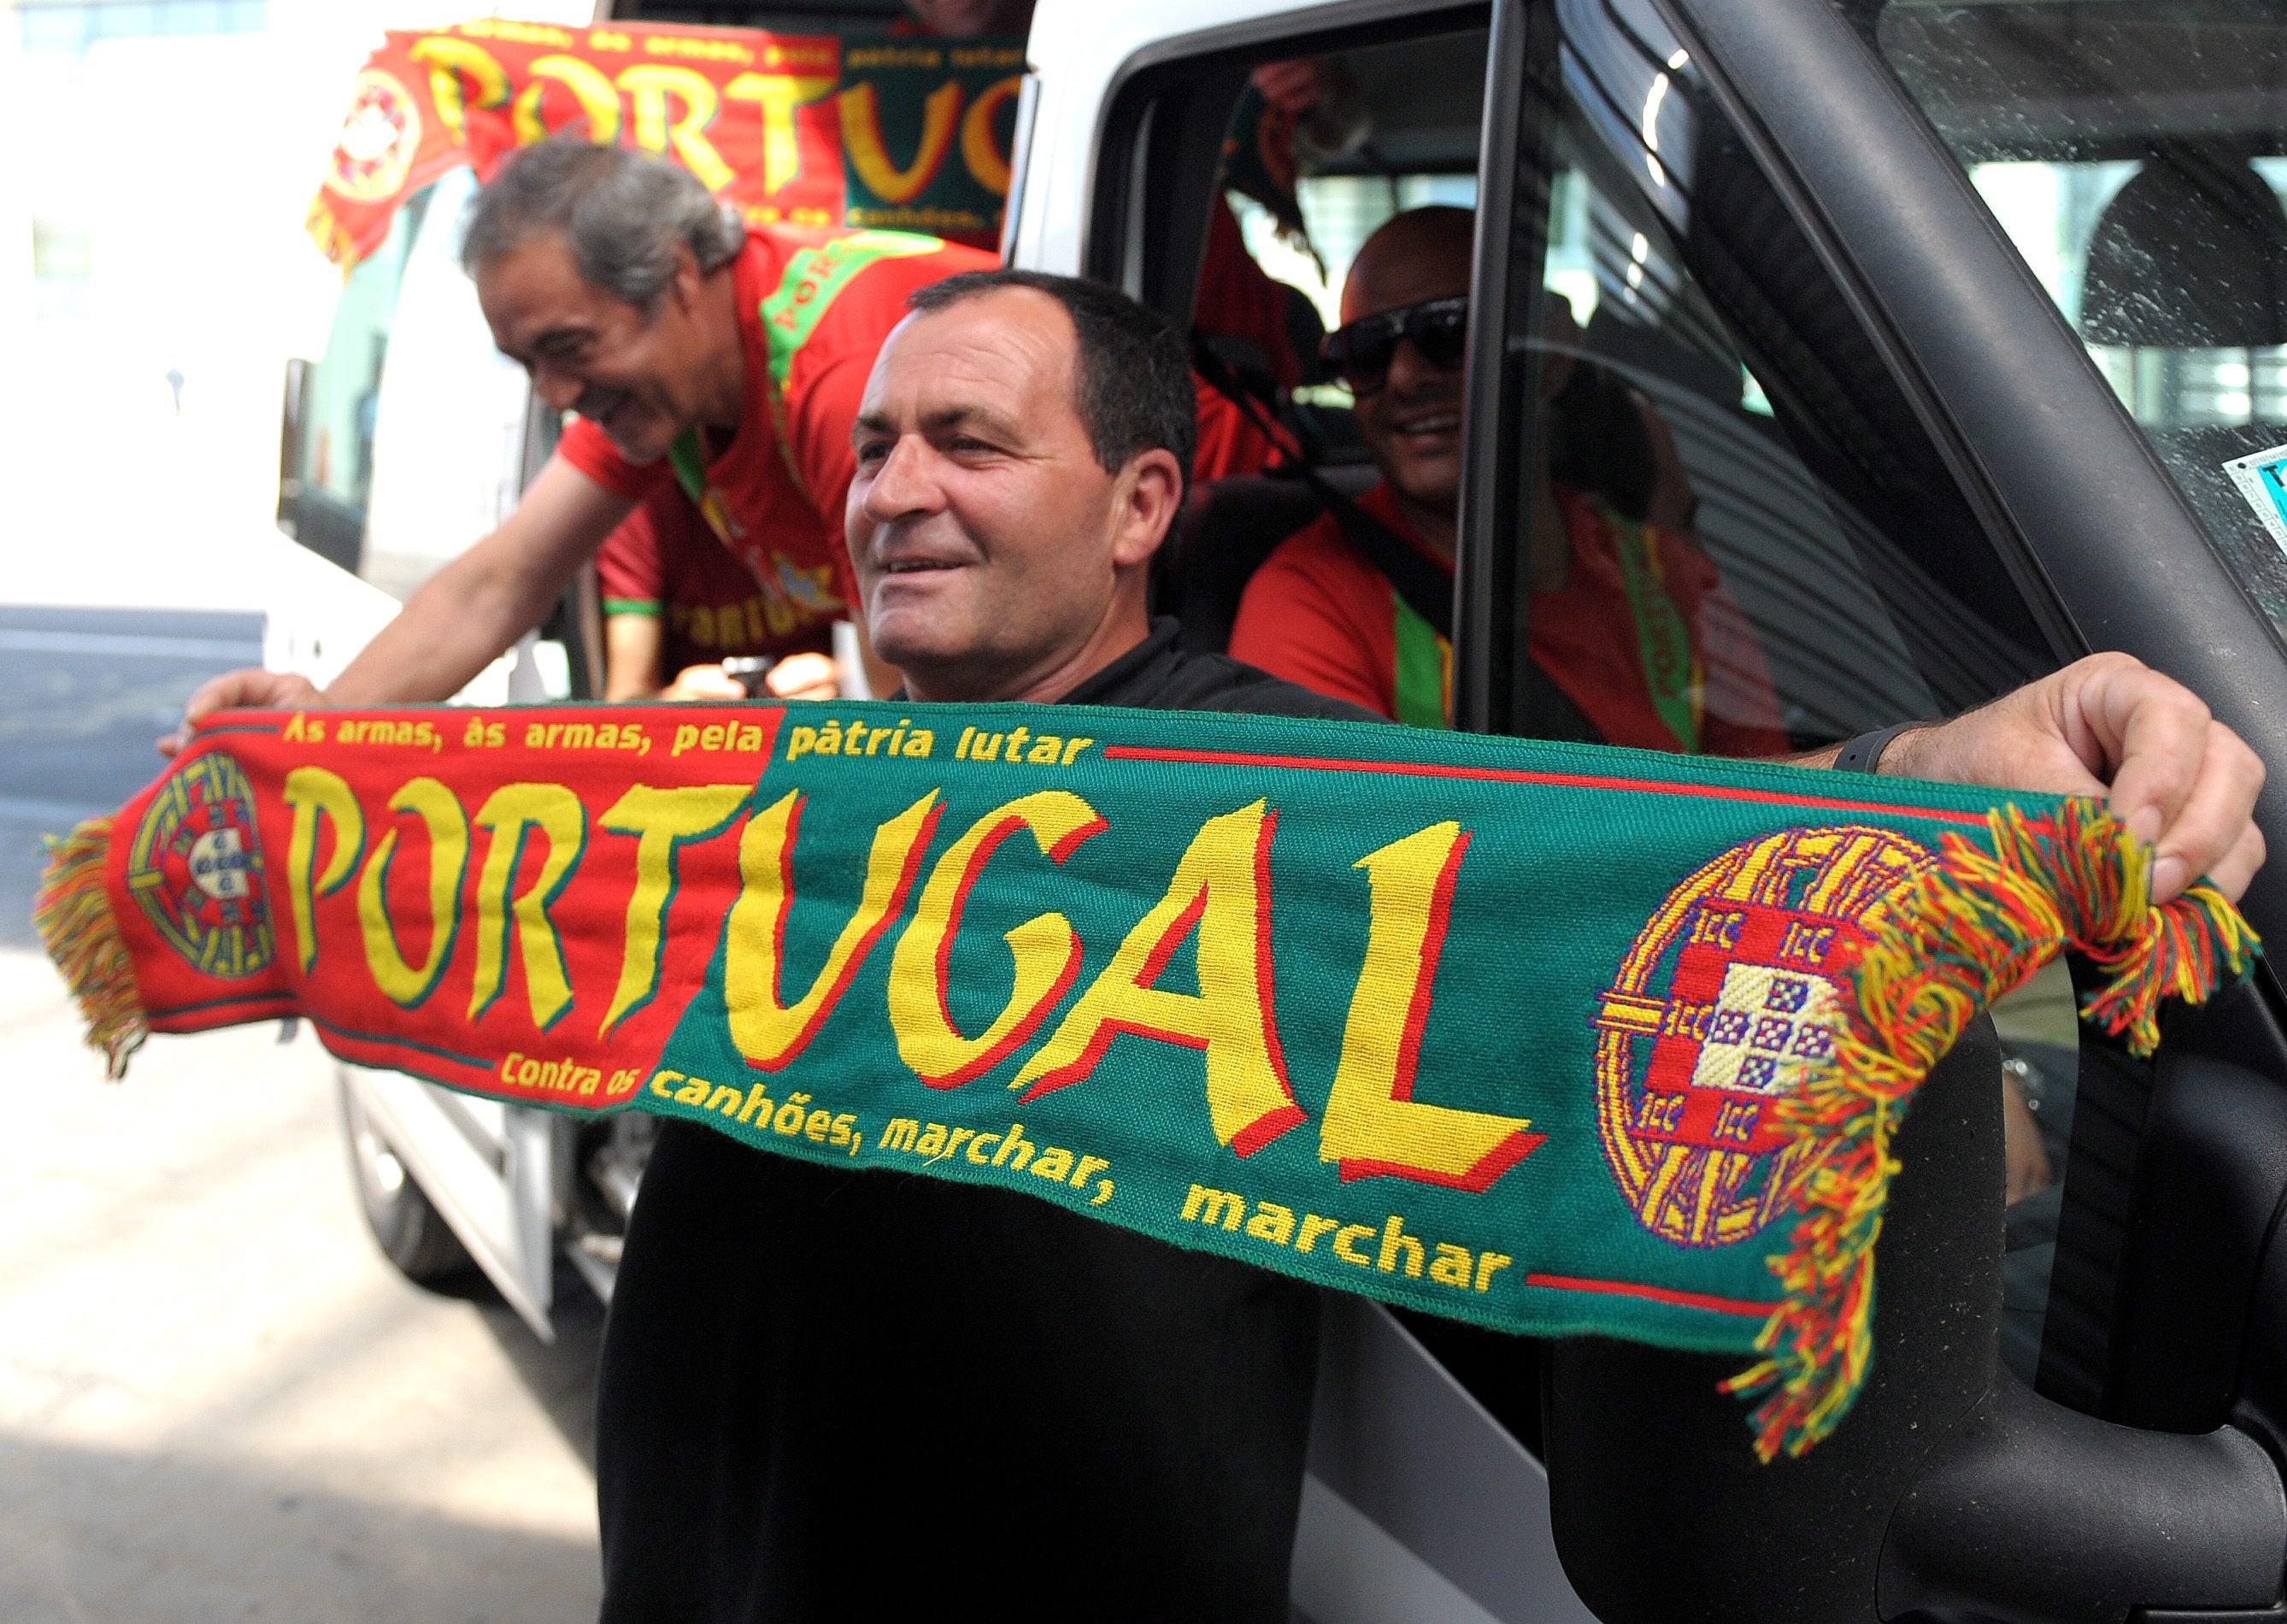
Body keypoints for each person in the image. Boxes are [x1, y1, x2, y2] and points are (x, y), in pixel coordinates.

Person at [591, 267, 2261, 1620]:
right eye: (873, 448)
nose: (893, 493)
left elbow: (1586, 867)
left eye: (967, 443)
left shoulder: (1252, 790)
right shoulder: (782, 785)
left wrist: (1929, 777)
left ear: (1141, 502)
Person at [174, 140, 993, 735]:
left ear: (678, 276)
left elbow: (914, 716)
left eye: (567, 348)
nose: (556, 394)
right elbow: (498, 584)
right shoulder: (676, 374)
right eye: (526, 363)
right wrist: (314, 722)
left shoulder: (842, 375)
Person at [1229, 205, 1789, 753]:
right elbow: (1335, 815)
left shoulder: (1667, 576)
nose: (1404, 377)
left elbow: (1777, 796)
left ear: (1551, 357)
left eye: (1449, 333)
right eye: (1365, 353)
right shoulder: (1308, 601)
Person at [595, 493, 838, 702]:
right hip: (694, 733)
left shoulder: (818, 472)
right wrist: (673, 703)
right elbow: (624, 700)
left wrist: (844, 680)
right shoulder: (641, 504)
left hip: (823, 719)